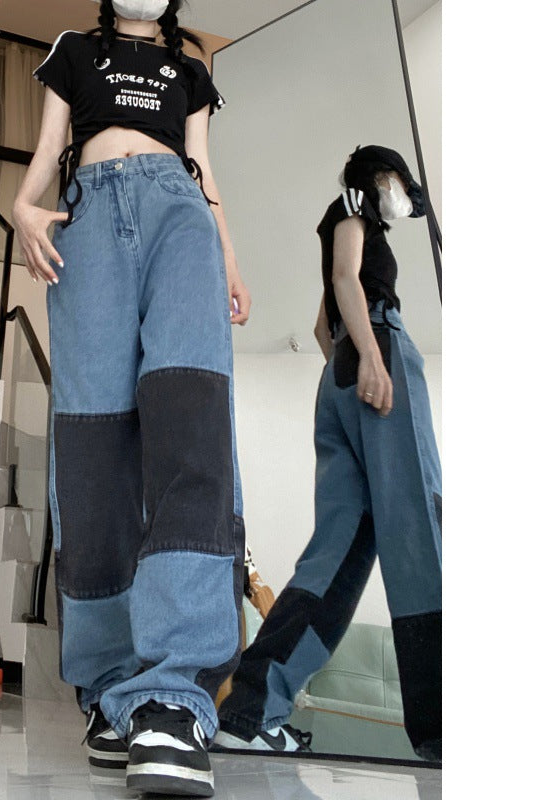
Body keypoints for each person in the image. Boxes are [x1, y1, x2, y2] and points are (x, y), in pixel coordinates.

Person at [11, 1, 251, 795]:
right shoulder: (74, 49)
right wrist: (22, 206)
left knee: (190, 424)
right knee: (92, 444)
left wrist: (229, 259)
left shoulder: (190, 67)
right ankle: (114, 687)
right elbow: (48, 149)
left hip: (179, 214)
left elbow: (203, 171)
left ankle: (175, 695)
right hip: (88, 216)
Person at [212, 145, 442, 763]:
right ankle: (444, 726)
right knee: (420, 528)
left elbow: (322, 324)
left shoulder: (348, 218)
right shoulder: (354, 204)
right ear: (382, 175)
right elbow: (346, 279)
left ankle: (250, 710)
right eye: (401, 184)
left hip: (340, 375)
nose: (403, 197)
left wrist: (347, 368)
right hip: (377, 347)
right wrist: (371, 358)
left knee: (336, 557)